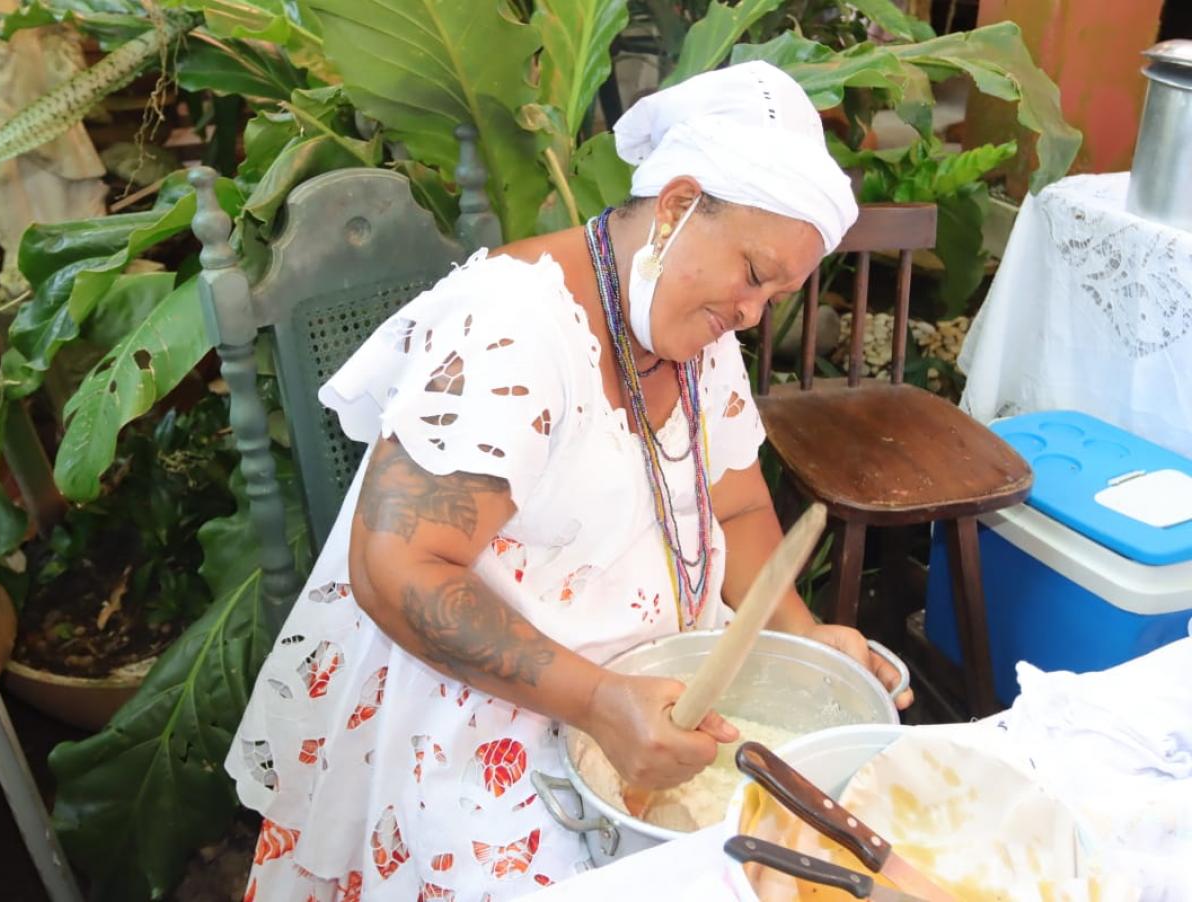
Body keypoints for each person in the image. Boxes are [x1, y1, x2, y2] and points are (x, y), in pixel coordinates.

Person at [228, 60, 913, 901]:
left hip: (653, 693)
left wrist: (803, 636)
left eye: (775, 293)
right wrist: (599, 704)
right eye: (754, 273)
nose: (752, 312)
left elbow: (734, 506)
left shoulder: (695, 329)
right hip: (484, 714)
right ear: (677, 206)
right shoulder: (514, 332)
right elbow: (395, 569)